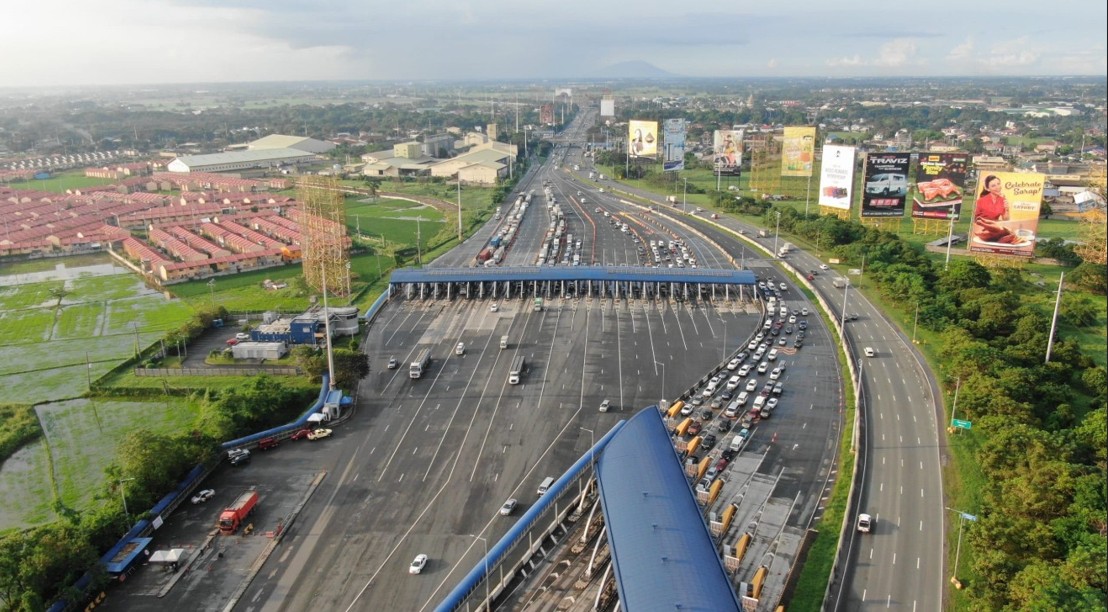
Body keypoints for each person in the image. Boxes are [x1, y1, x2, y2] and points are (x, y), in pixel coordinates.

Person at [972, 174, 1014, 243]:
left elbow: (1005, 219)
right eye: (993, 186)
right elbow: (974, 220)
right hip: (981, 229)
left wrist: (1007, 209)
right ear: (988, 189)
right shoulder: (981, 201)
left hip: (995, 228)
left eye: (998, 184)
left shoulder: (1002, 199)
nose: (998, 187)